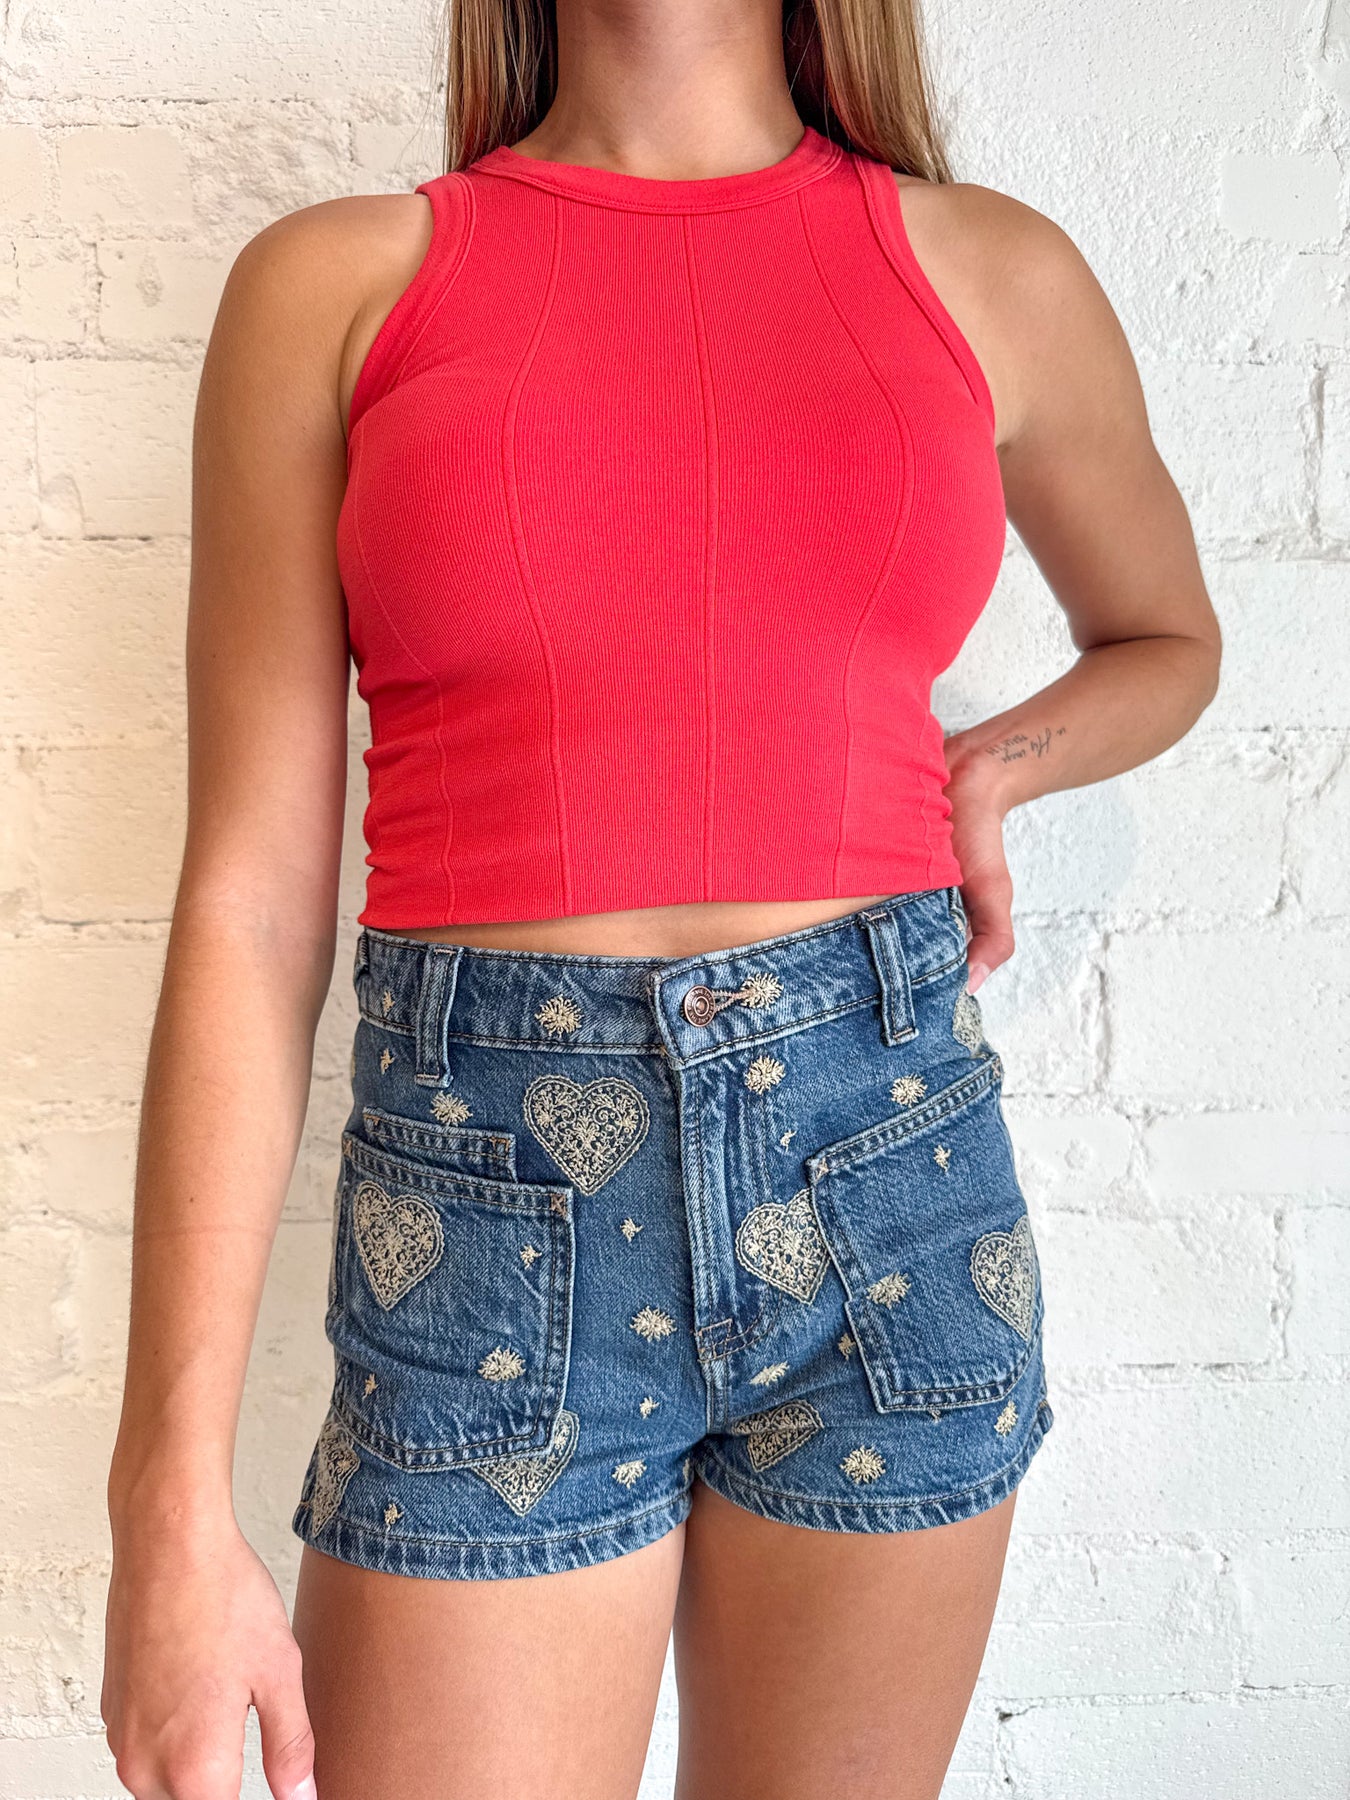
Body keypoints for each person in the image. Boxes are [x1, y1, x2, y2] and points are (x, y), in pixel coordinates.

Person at [100, 1, 1222, 1796]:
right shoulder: (337, 286)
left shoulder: (985, 269)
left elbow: (1164, 637)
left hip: (886, 1178)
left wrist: (992, 768)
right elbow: (249, 906)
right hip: (485, 1219)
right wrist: (164, 1510)